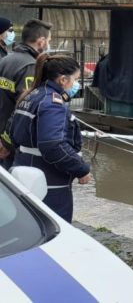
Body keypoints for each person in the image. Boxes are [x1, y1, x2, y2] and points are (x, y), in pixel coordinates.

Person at [10, 54, 91, 223]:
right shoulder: (52, 103)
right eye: (75, 79)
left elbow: (13, 133)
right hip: (48, 180)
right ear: (63, 80)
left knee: (29, 223)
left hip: (24, 169)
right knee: (54, 227)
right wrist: (81, 168)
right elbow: (53, 145)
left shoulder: (31, 95)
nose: (76, 84)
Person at [0, 19, 52, 168]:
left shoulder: (6, 60)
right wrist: (6, 142)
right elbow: (24, 108)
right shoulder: (30, 66)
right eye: (48, 40)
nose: (48, 44)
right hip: (13, 143)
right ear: (41, 42)